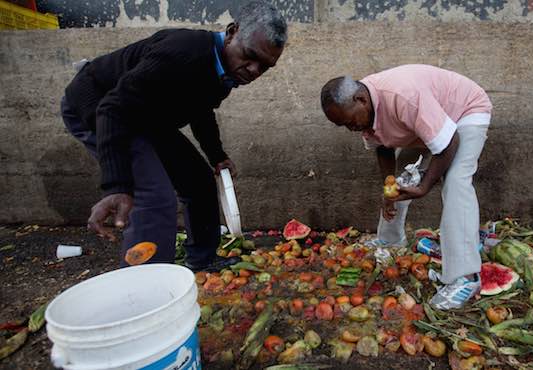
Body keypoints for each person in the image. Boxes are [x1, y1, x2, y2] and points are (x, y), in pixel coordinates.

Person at [61, 1, 286, 270]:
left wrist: (216, 155)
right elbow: (112, 109)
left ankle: (202, 262)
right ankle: (146, 287)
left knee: (199, 180)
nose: (253, 70)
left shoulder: (225, 71)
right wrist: (116, 185)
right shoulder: (182, 52)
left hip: (147, 116)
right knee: (155, 195)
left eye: (264, 67)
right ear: (232, 32)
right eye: (250, 55)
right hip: (99, 106)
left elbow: (201, 110)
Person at [320, 64, 492, 309]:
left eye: (350, 121)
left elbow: (449, 142)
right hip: (429, 122)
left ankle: (465, 277)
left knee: (455, 180)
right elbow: (383, 146)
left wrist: (425, 187)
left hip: (464, 111)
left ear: (361, 99)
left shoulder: (403, 97)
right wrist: (388, 188)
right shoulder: (364, 107)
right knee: (402, 179)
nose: (351, 128)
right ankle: (390, 240)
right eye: (343, 126)